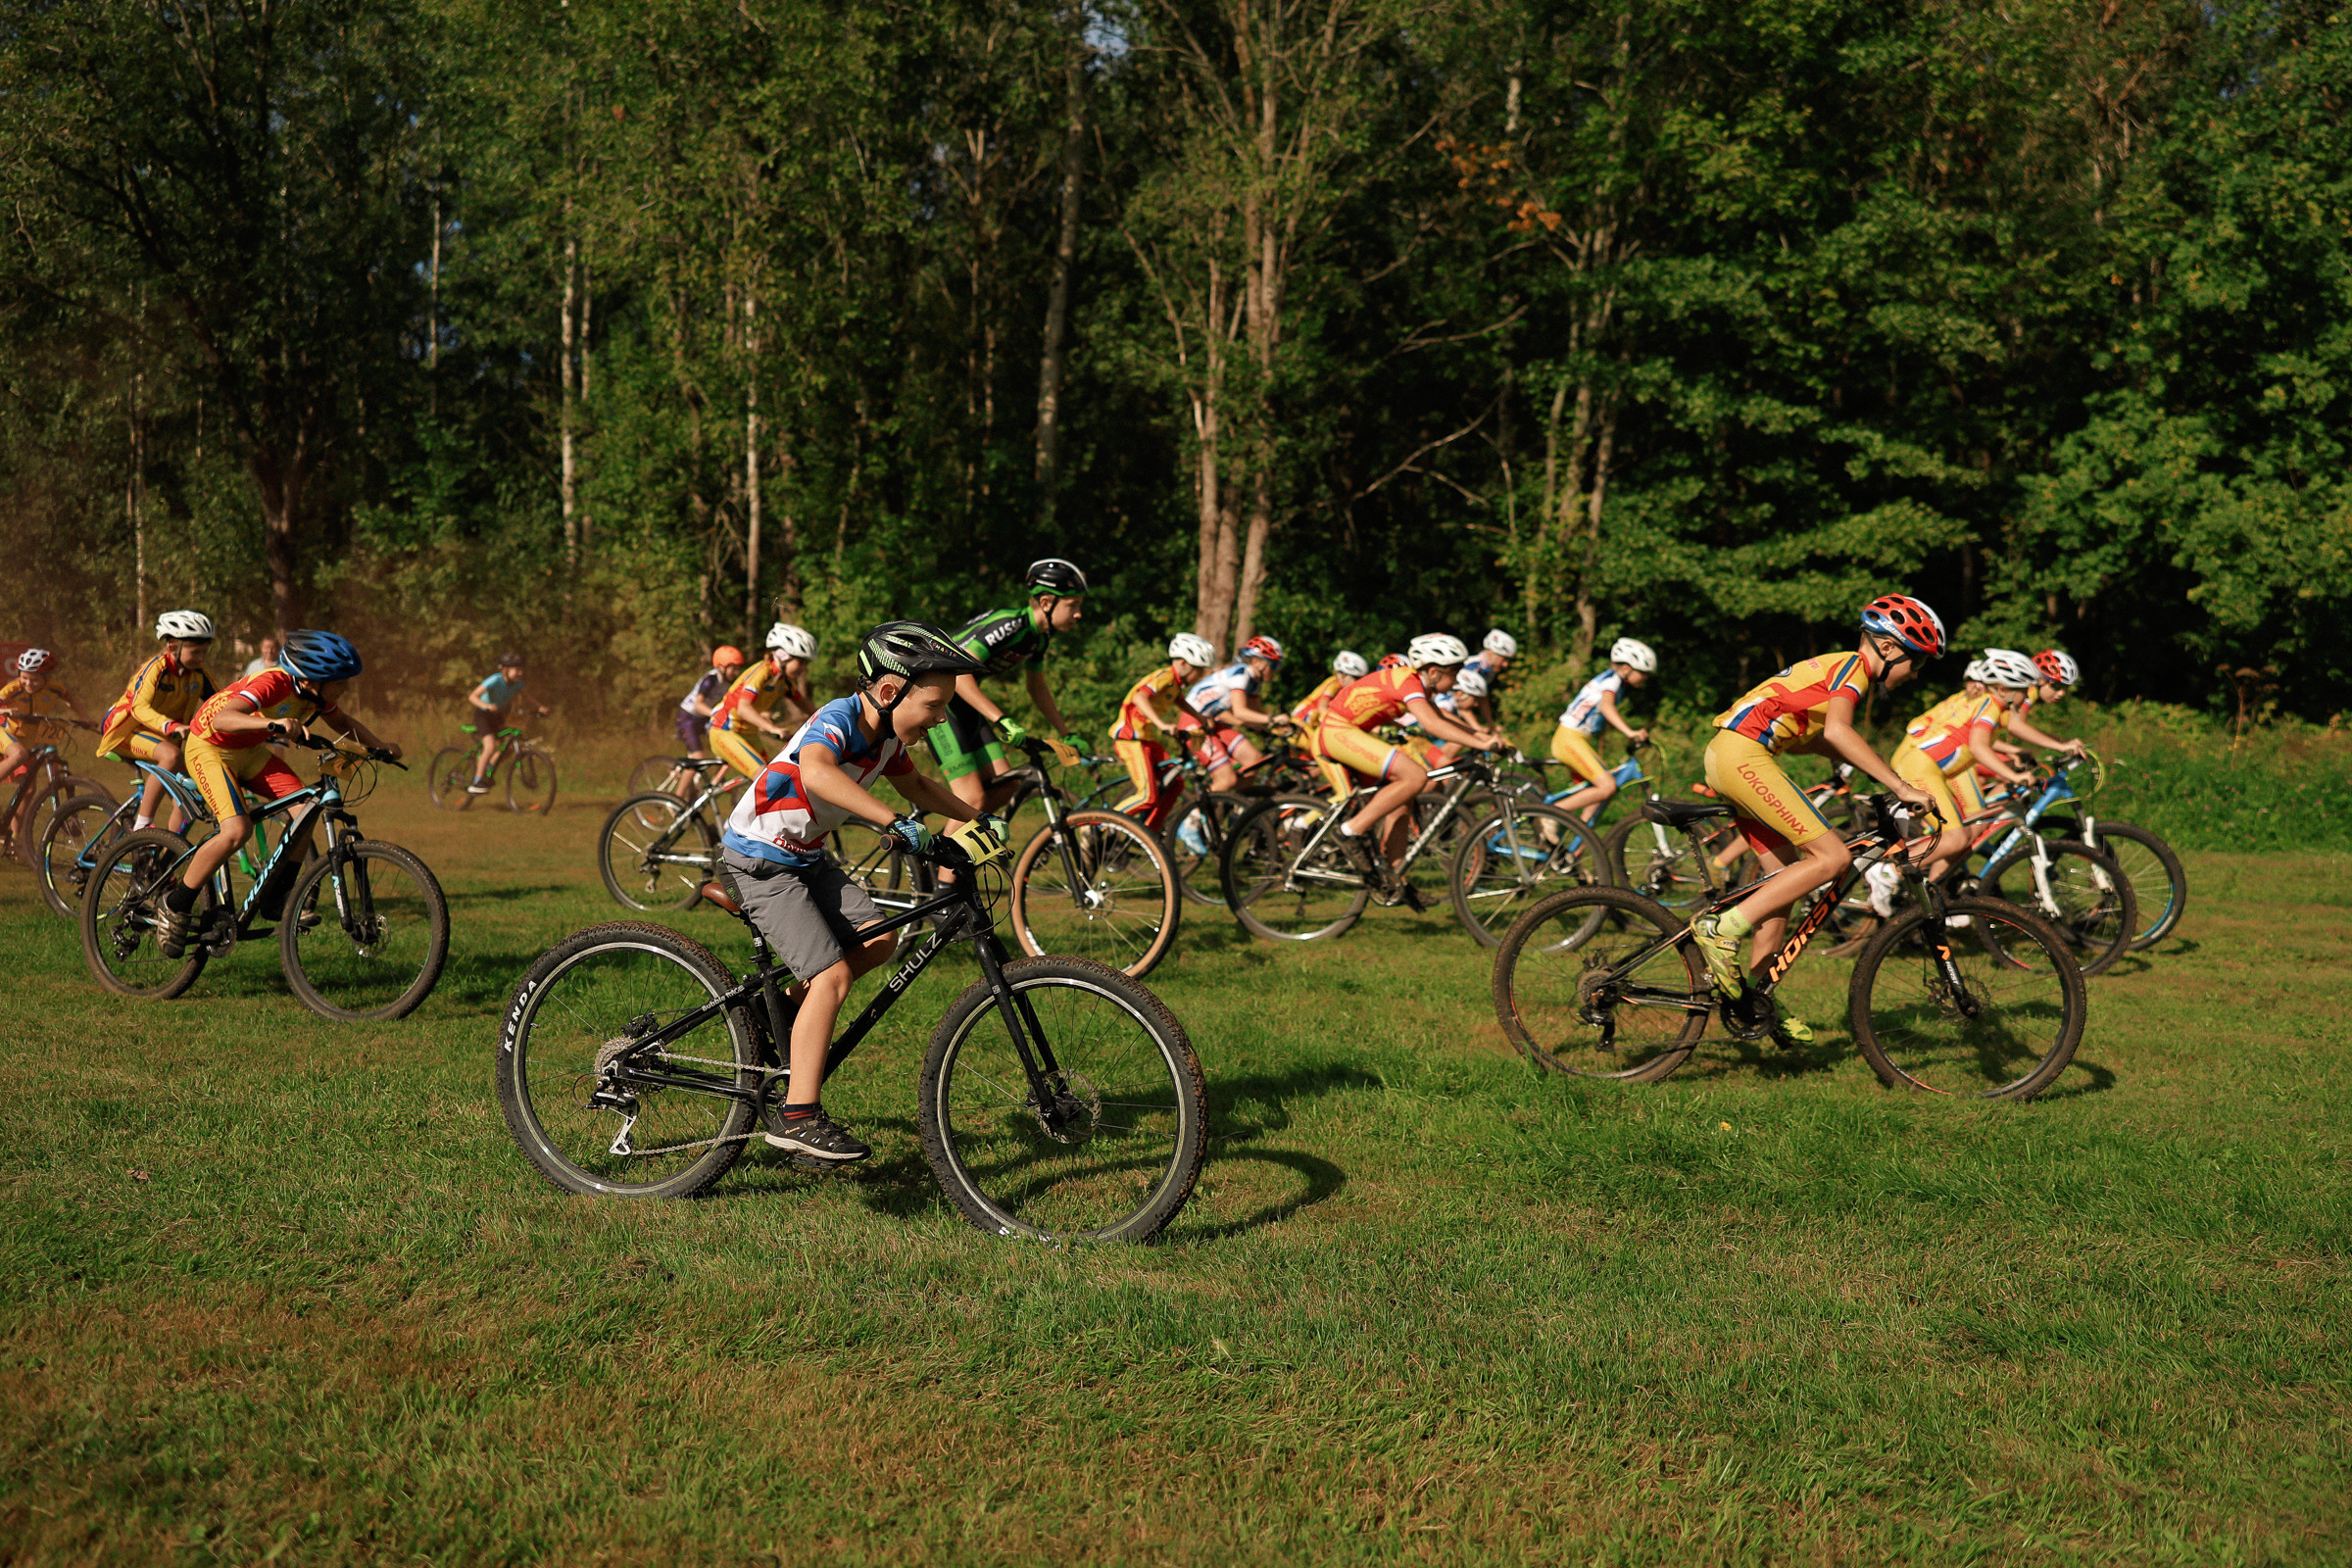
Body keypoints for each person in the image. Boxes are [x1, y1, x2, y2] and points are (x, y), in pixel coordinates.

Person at [716, 621, 985, 1166]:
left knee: (882, 936)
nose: (940, 718)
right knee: (832, 976)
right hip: (760, 859)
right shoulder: (838, 717)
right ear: (890, 691)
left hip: (805, 856)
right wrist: (894, 822)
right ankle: (798, 1117)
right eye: (934, 705)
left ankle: (781, 1015)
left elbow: (918, 787)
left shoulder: (888, 738)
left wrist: (979, 819)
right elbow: (816, 771)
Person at [1691, 596, 1945, 1044]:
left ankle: (1754, 997)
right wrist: (1903, 787)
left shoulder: (1838, 671)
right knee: (1831, 859)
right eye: (1918, 661)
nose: (1917, 673)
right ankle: (1720, 929)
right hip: (1742, 753)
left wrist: (1885, 779)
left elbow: (1815, 740)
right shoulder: (1853, 666)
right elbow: (1838, 732)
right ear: (1888, 649)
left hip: (1732, 753)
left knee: (1786, 882)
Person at [156, 631, 401, 957]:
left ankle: (275, 899)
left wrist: (379, 746)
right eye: (340, 681)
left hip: (249, 752)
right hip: (210, 747)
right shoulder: (273, 682)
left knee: (307, 812)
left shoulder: (315, 695)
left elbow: (341, 720)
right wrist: (275, 725)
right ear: (314, 679)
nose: (345, 688)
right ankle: (175, 905)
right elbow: (224, 718)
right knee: (236, 830)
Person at [1314, 633, 1507, 899]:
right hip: (1337, 731)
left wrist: (1485, 737)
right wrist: (1484, 745)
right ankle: (1350, 832)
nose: (1458, 679)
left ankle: (1396, 879)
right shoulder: (1409, 682)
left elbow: (1442, 716)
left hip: (1348, 732)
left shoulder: (1417, 684)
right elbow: (1433, 726)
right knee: (1415, 776)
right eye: (1456, 672)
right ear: (1435, 672)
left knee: (1402, 802)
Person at [932, 559, 1088, 812]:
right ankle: (937, 851)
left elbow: (1037, 688)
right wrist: (1001, 718)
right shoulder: (1009, 624)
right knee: (973, 799)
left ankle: (961, 846)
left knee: (1006, 786)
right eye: (1073, 606)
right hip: (938, 704)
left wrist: (1065, 732)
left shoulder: (1039, 639)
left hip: (964, 708)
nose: (1078, 614)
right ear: (1046, 603)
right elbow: (959, 674)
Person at [95, 611, 219, 833]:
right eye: (195, 651)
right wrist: (171, 726)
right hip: (126, 730)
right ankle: (141, 827)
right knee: (171, 756)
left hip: (164, 737)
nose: (201, 657)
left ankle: (165, 854)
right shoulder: (155, 669)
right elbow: (138, 707)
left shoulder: (198, 673)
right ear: (173, 647)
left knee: (190, 794)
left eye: (204, 652)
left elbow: (221, 703)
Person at [1108, 634, 1216, 829]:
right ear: (1183, 664)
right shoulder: (1165, 676)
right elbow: (1140, 698)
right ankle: (1096, 826)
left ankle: (1148, 832)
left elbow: (1180, 701)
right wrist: (1162, 724)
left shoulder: (1174, 685)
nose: (1201, 676)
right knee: (1147, 796)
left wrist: (1201, 719)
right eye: (1199, 671)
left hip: (1146, 740)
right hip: (1130, 739)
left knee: (1176, 785)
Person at [1550, 638, 1657, 823]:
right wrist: (1630, 733)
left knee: (1600, 791)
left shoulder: (1609, 679)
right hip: (1569, 740)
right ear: (1626, 668)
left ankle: (1580, 842)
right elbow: (1607, 708)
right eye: (1643, 672)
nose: (1645, 678)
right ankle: (1549, 816)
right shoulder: (1612, 681)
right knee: (1607, 786)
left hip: (1575, 739)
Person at [1, 649, 94, 843]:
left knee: (28, 790)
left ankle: (13, 839)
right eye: (24, 677)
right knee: (18, 754)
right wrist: (6, 709)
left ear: (46, 677)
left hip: (30, 739)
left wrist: (84, 717)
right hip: (7, 732)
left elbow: (70, 699)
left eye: (34, 679)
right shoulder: (13, 688)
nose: (28, 683)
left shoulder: (55, 688)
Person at [709, 624, 818, 784]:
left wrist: (825, 720)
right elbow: (743, 708)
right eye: (800, 662)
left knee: (776, 776)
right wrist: (773, 728)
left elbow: (805, 705)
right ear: (783, 656)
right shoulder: (762, 672)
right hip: (725, 731)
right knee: (764, 777)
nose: (803, 668)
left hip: (749, 734)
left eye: (805, 664)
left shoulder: (785, 681)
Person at [1184, 635, 1292, 791]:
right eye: (1273, 665)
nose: (1276, 671)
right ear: (1257, 662)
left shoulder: (1254, 682)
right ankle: (1195, 813)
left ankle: (1240, 808)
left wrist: (1274, 730)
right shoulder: (1241, 674)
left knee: (1254, 759)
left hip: (1211, 723)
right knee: (1226, 779)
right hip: (1192, 724)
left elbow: (1257, 716)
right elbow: (1241, 712)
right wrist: (1273, 719)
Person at [465, 653, 550, 794]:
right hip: (483, 715)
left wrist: (540, 707)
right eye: (517, 670)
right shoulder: (495, 680)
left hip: (498, 715)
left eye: (521, 669)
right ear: (505, 670)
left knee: (509, 748)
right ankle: (476, 781)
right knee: (490, 746)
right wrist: (486, 706)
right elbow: (473, 696)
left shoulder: (518, 684)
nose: (520, 673)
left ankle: (487, 767)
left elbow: (528, 697)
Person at [675, 645, 748, 767]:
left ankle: (717, 782)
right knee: (698, 759)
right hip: (687, 717)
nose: (736, 672)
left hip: (703, 717)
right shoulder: (711, 679)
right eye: (733, 668)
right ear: (721, 666)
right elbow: (698, 705)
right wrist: (716, 713)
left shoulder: (729, 682)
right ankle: (682, 786)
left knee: (724, 748)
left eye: (738, 668)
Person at [1462, 629, 1516, 727]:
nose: (1506, 665)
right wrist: (1477, 728)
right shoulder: (1472, 668)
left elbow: (1483, 698)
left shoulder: (1489, 670)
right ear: (1491, 653)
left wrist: (1492, 726)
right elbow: (1462, 706)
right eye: (1504, 659)